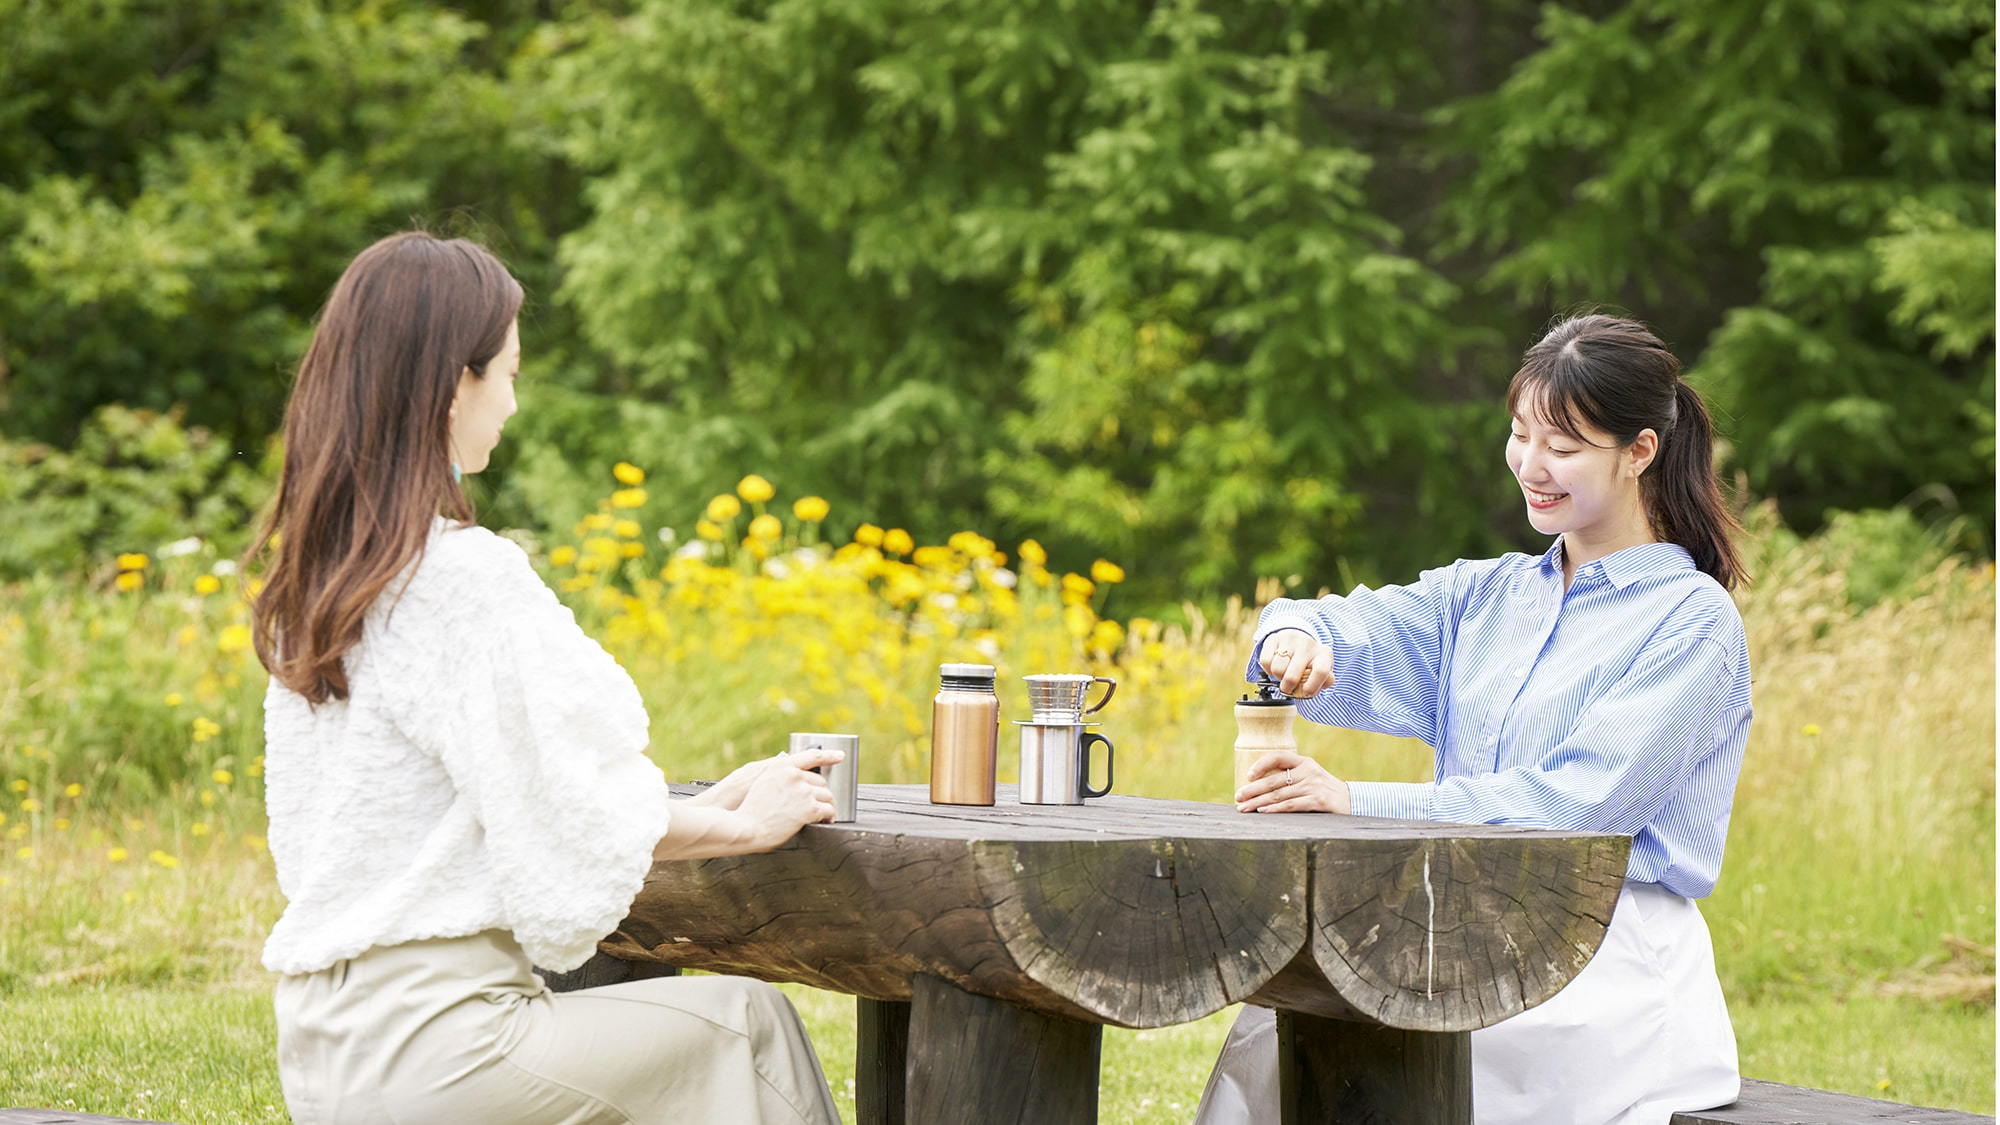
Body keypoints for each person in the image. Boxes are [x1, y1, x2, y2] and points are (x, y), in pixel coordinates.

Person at [249, 231, 843, 1125]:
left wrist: (713, 806)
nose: (515, 405)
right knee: (746, 1025)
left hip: (326, 1045)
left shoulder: (323, 587)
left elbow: (498, 810)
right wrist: (743, 826)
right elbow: (568, 809)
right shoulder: (460, 577)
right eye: (511, 374)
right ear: (457, 383)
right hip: (440, 1046)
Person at [1195, 314, 1751, 1124]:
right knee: (1285, 1030)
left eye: (1563, 447)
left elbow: (1577, 808)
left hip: (1596, 962)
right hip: (1447, 922)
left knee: (1397, 1060)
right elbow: (1345, 626)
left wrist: (1358, 800)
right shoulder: (1484, 596)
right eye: (1520, 435)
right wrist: (1294, 640)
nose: (1531, 465)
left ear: (1640, 451)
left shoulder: (1692, 622)